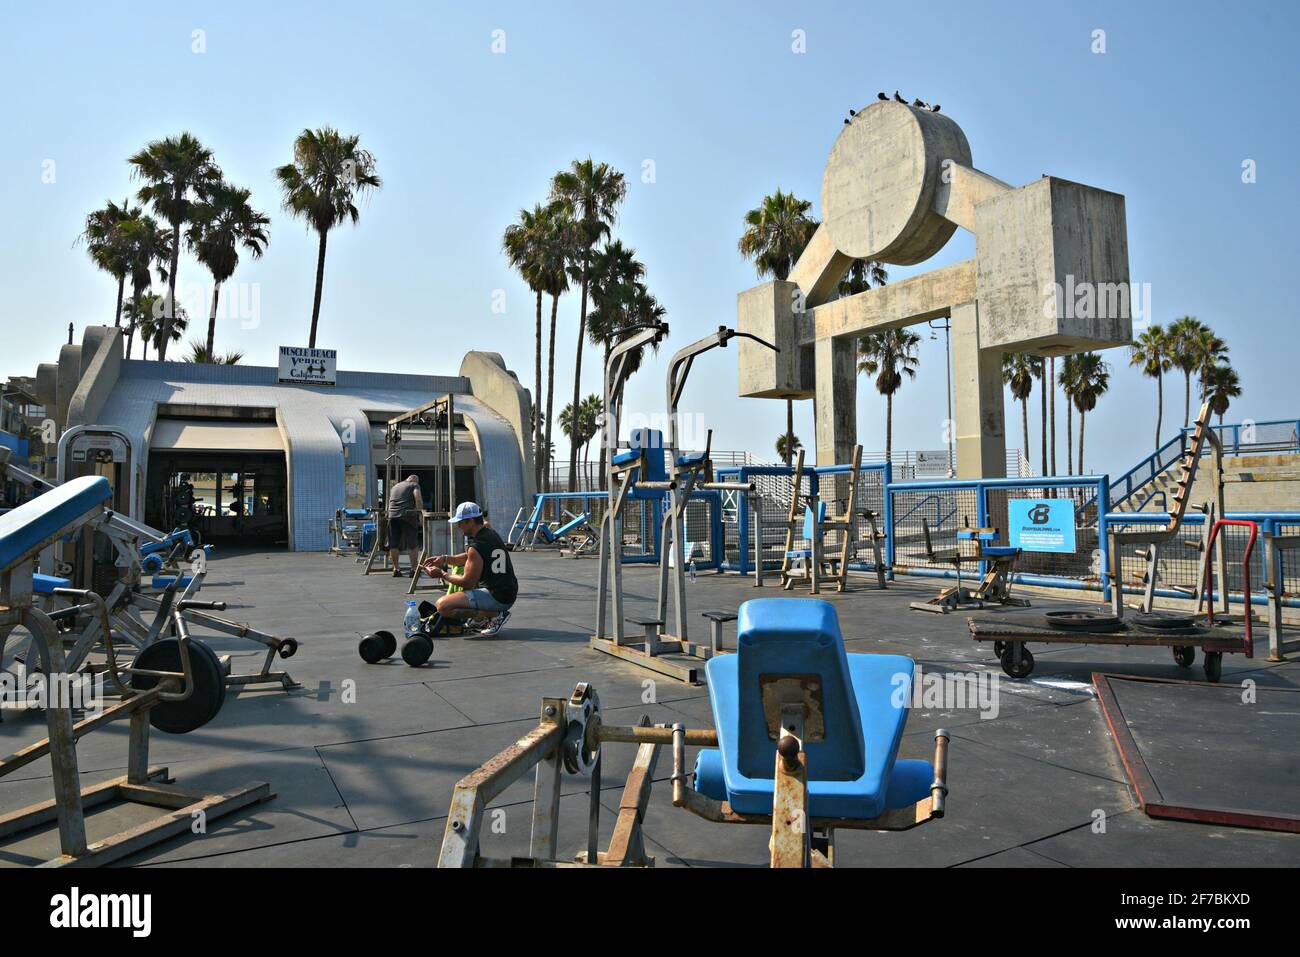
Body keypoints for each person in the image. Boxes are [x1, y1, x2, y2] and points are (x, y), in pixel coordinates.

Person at [422, 501, 517, 636]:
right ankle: (483, 616)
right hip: (508, 591)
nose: (459, 526)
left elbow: (467, 582)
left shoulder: (476, 546)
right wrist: (444, 559)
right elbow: (469, 557)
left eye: (461, 522)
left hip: (498, 597)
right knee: (459, 594)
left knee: (442, 606)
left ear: (471, 521)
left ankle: (492, 615)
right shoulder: (490, 533)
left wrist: (442, 574)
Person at [385, 474, 424, 577]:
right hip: (407, 516)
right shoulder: (414, 485)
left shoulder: (395, 486)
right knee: (413, 544)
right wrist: (420, 514)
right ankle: (414, 569)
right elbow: (418, 499)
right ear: (414, 480)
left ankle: (396, 569)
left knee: (393, 544)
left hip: (392, 516)